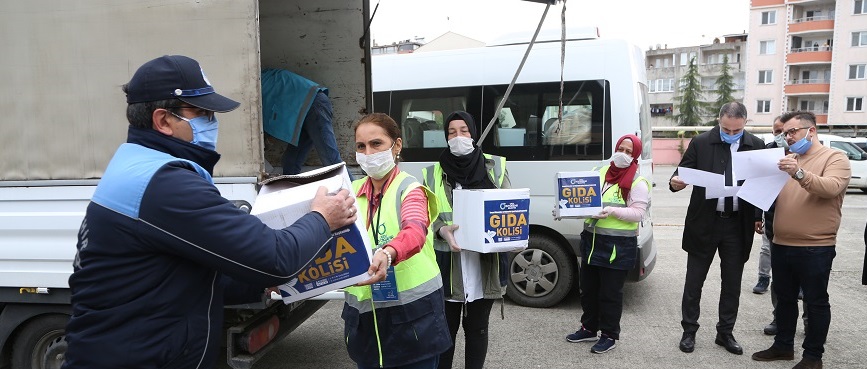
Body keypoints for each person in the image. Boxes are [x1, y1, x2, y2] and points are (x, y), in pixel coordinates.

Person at [62, 55, 358, 369]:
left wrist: (258, 283)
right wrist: (323, 217)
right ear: (163, 120)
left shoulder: (141, 167)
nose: (212, 122)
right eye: (201, 113)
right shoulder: (165, 184)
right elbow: (276, 259)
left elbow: (182, 278)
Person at [342, 113, 451, 369]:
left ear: (397, 146)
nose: (368, 152)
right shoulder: (349, 193)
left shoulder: (410, 190)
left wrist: (389, 252)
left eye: (376, 144)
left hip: (413, 321)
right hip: (365, 325)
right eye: (361, 146)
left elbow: (415, 230)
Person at [752, 111, 850, 369]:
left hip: (815, 246)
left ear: (811, 130)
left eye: (793, 131)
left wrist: (798, 173)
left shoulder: (835, 158)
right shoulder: (788, 158)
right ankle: (783, 346)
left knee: (815, 301)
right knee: (784, 299)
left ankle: (812, 357)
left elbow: (830, 188)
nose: (788, 137)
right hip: (782, 242)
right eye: (785, 133)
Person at [669, 102, 765, 355]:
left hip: (737, 224)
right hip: (705, 223)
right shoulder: (701, 142)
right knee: (694, 282)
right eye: (726, 129)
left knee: (732, 283)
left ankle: (725, 333)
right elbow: (680, 173)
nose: (731, 134)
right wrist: (676, 182)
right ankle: (689, 331)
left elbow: (761, 184)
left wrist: (757, 216)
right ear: (719, 121)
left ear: (745, 123)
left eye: (736, 131)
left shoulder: (756, 145)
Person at [421, 111, 510, 369]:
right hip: (447, 266)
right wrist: (440, 230)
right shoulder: (431, 174)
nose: (458, 136)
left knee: (478, 330)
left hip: (484, 266)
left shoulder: (496, 166)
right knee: (445, 333)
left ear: (473, 132)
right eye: (451, 132)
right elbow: (422, 218)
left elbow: (509, 210)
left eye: (464, 130)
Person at [565, 134, 650, 354]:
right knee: (588, 290)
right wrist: (565, 210)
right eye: (620, 148)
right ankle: (588, 328)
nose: (623, 154)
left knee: (610, 295)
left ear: (635, 156)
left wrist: (612, 211)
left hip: (617, 247)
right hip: (592, 242)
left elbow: (638, 213)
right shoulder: (599, 173)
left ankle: (609, 335)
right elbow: (582, 201)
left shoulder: (637, 182)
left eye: (629, 152)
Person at [261, 68, 344, 175]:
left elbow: (271, 125)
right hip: (305, 110)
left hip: (312, 105)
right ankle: (290, 189)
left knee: (331, 161)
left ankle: (354, 190)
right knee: (290, 162)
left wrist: (266, 145)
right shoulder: (266, 79)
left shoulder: (259, 90)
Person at [753, 116, 785, 297]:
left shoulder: (803, 155)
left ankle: (801, 284)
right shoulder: (768, 151)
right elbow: (759, 185)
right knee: (766, 248)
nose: (781, 135)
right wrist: (757, 216)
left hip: (795, 214)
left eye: (784, 131)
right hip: (770, 212)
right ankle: (763, 277)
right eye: (777, 131)